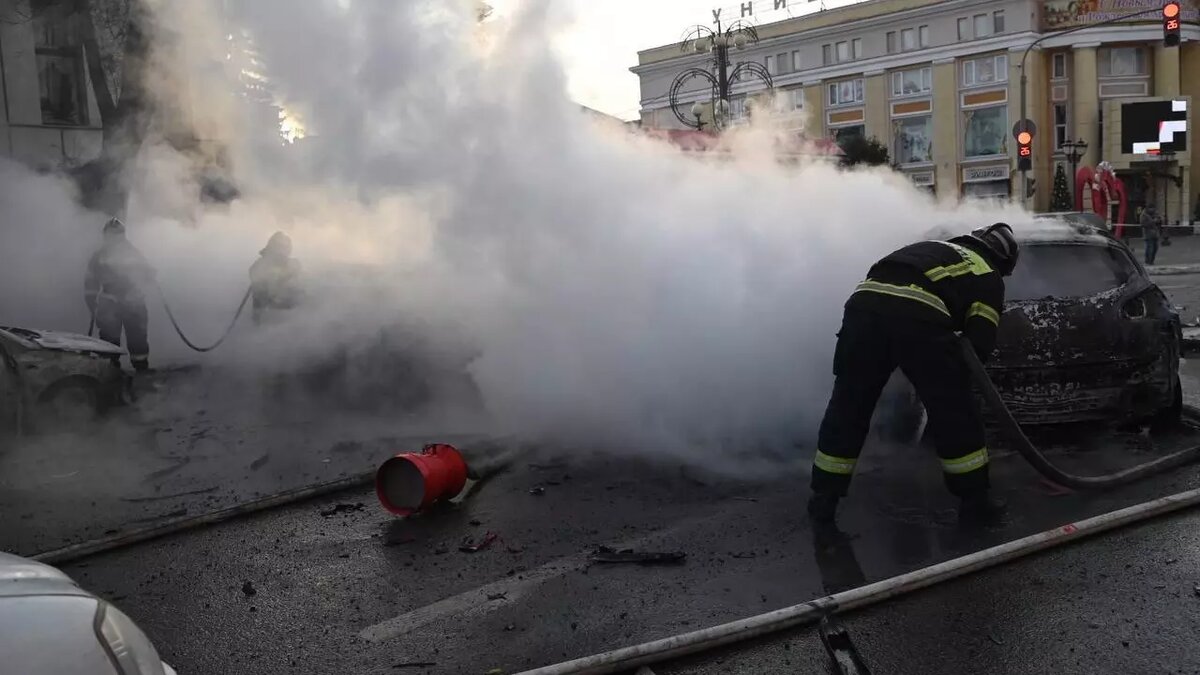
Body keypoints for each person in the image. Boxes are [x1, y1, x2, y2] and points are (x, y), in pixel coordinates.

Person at [808, 223, 1020, 526]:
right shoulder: (987, 273)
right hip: (918, 315)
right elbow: (979, 344)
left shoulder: (938, 249)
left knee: (848, 406)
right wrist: (952, 374)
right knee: (954, 410)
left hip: (862, 308)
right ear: (1004, 261)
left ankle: (823, 499)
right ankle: (975, 503)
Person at [84, 217, 156, 372]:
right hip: (113, 304)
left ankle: (140, 369)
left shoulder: (132, 253)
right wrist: (92, 302)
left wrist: (149, 275)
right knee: (109, 341)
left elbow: (147, 274)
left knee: (137, 339)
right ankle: (110, 371)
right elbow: (90, 283)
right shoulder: (100, 256)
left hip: (132, 303)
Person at [249, 231, 302, 325]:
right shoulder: (260, 266)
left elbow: (300, 284)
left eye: (286, 248)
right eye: (281, 248)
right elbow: (260, 297)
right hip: (271, 312)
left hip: (290, 308)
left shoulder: (293, 264)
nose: (285, 251)